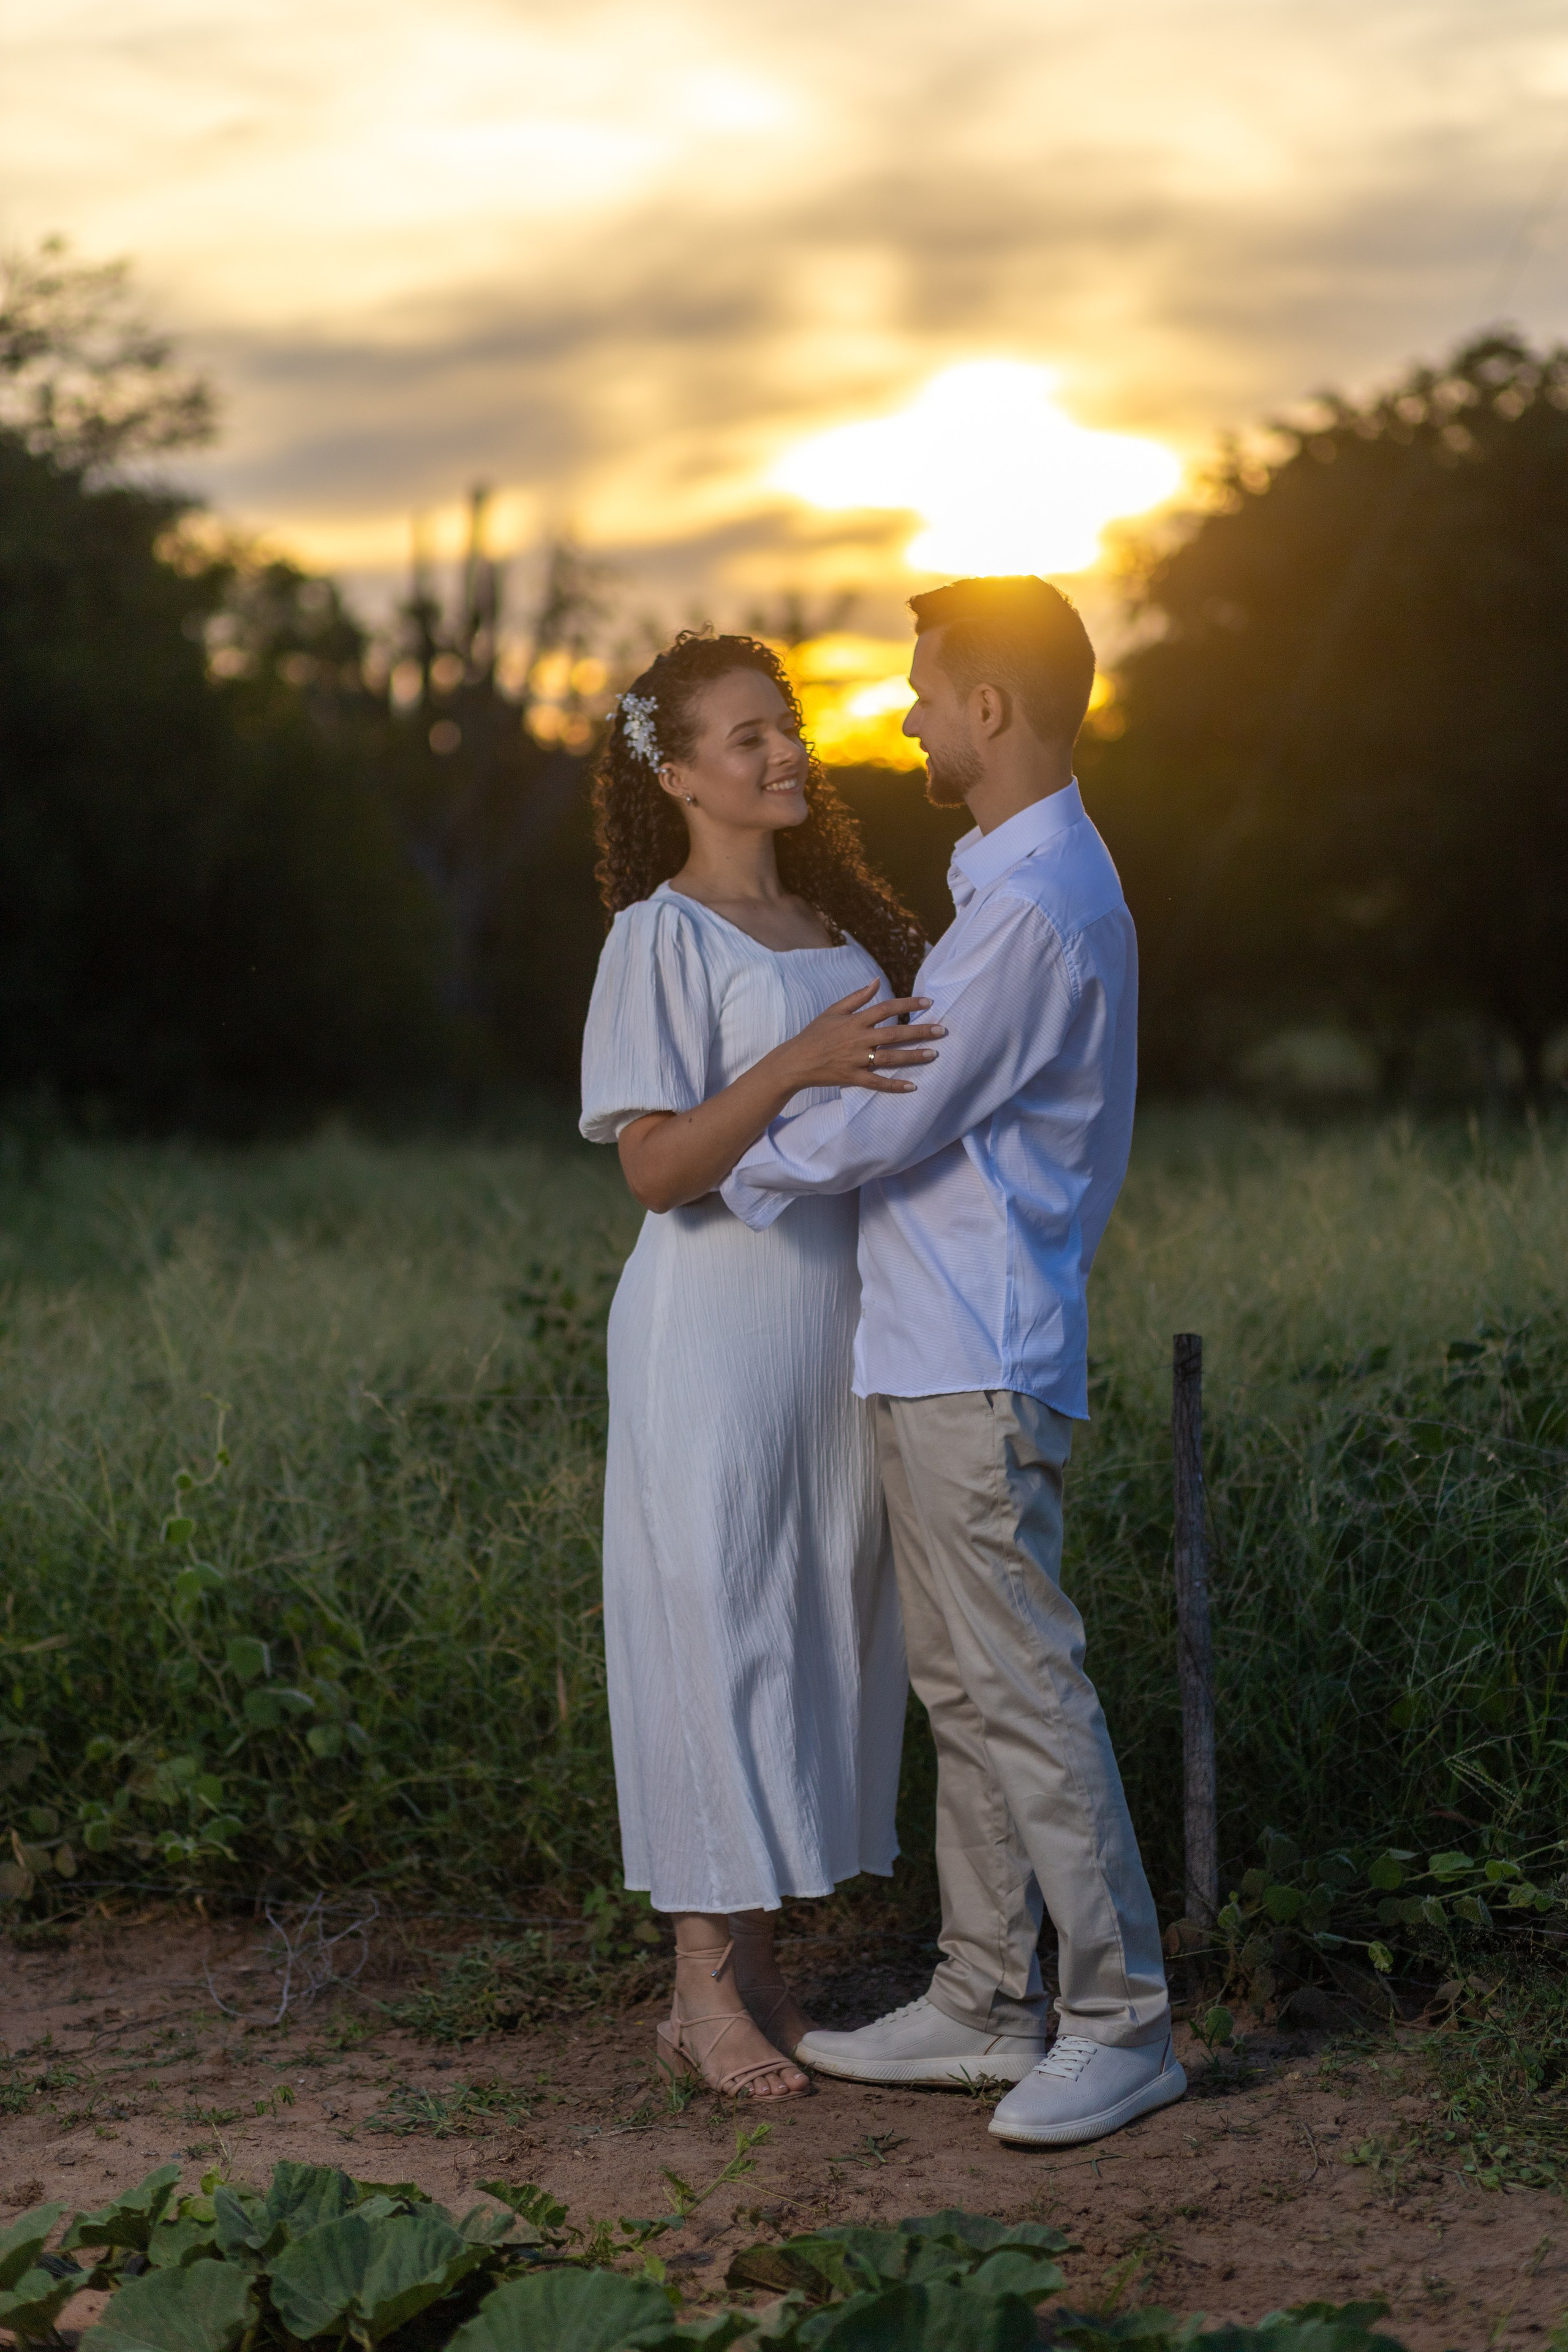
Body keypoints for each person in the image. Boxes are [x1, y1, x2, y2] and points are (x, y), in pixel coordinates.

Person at [721, 576, 1185, 2149]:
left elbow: (901, 1109)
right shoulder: (1009, 887)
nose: (905, 716)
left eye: (922, 692)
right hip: (936, 1348)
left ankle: (1121, 2019)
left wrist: (729, 1149)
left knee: (1020, 1684)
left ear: (989, 708)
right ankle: (986, 2000)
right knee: (966, 1687)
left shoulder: (1038, 905)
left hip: (981, 1352)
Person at [579, 628, 943, 2100]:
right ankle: (698, 1986)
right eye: (743, 737)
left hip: (842, 1332)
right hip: (713, 1334)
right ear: (675, 776)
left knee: (810, 1628)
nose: (781, 750)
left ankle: (761, 1969)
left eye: (783, 722)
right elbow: (659, 1169)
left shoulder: (847, 935)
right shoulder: (656, 938)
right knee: (715, 1628)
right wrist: (792, 1066)